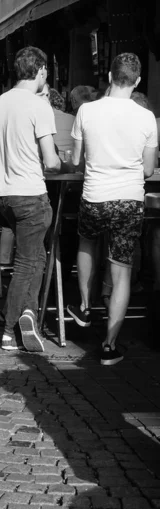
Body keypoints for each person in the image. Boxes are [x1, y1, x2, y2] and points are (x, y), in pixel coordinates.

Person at [67, 53, 158, 366]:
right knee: (121, 272)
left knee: (87, 243)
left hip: (94, 195)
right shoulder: (146, 117)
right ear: (137, 81)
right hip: (128, 199)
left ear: (108, 75)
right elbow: (147, 169)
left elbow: (76, 159)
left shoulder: (87, 111)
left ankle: (83, 305)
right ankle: (109, 345)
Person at [0, 46, 70, 353]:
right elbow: (50, 161)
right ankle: (11, 327)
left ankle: (28, 313)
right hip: (30, 194)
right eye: (46, 72)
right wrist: (68, 164)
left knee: (35, 257)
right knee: (27, 263)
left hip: (3, 195)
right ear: (40, 71)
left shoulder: (1, 101)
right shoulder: (39, 106)